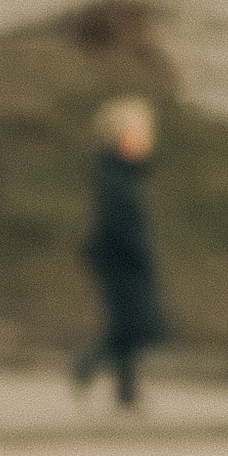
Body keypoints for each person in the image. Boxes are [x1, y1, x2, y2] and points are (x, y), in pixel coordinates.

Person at [72, 97, 168, 406]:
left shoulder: (123, 172)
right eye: (139, 133)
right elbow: (116, 220)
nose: (145, 140)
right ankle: (86, 365)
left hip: (123, 259)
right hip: (121, 261)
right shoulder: (115, 175)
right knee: (131, 326)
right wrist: (138, 251)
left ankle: (125, 392)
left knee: (128, 326)